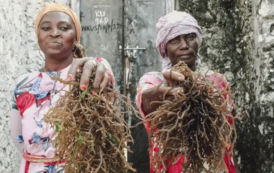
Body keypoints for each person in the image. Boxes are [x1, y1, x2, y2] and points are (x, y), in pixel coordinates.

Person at [10, 4, 114, 173]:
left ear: (75, 38)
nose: (54, 33)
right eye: (46, 28)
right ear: (38, 37)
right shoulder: (23, 85)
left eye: (64, 28)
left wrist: (98, 67)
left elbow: (104, 74)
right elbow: (17, 138)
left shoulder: (88, 72)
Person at [136, 11, 238, 173]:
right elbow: (146, 101)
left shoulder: (216, 80)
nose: (184, 45)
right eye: (175, 40)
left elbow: (226, 136)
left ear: (198, 40)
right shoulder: (153, 80)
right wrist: (164, 91)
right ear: (164, 47)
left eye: (190, 37)